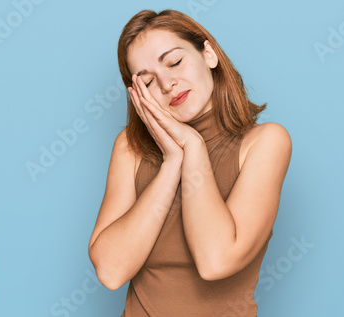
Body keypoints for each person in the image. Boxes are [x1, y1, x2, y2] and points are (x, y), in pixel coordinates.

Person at [88, 9, 292, 317]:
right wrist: (172, 161)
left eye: (174, 62)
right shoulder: (130, 149)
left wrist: (193, 146)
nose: (168, 83)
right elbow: (111, 271)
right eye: (149, 81)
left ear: (208, 54)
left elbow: (216, 261)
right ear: (138, 95)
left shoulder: (265, 142)